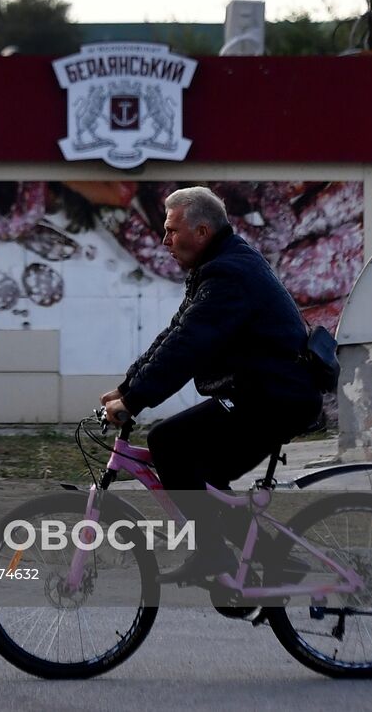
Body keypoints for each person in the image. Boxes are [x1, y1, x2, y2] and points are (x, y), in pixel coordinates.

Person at [100, 186, 321, 585]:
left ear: (201, 231)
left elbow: (189, 345)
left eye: (171, 230)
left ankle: (213, 557)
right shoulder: (221, 263)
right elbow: (177, 332)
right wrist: (127, 387)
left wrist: (135, 400)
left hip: (273, 398)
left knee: (168, 442)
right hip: (266, 393)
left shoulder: (227, 274)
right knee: (198, 475)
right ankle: (271, 559)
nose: (164, 240)